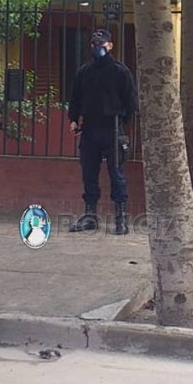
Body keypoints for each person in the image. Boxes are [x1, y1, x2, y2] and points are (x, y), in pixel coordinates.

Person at [67, 28, 139, 234]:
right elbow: (75, 98)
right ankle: (90, 216)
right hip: (90, 128)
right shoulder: (84, 72)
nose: (98, 47)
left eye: (101, 44)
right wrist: (73, 120)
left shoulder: (121, 71)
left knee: (117, 174)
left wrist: (121, 122)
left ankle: (120, 218)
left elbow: (131, 101)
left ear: (110, 46)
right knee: (89, 174)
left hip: (113, 128)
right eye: (94, 44)